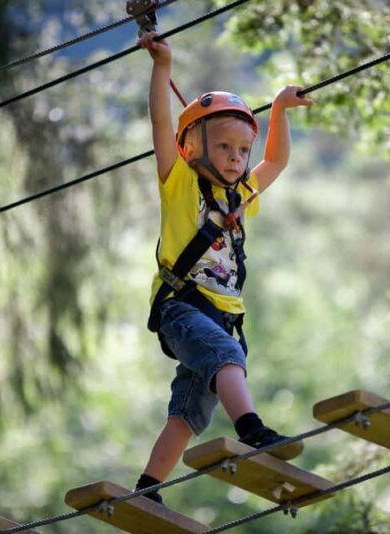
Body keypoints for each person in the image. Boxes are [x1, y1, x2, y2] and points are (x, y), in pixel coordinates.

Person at [135, 31, 313, 505]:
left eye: (240, 151)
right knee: (227, 359)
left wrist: (276, 109)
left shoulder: (240, 198)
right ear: (193, 149)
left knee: (187, 416)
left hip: (222, 318)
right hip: (182, 310)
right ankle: (253, 430)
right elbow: (159, 123)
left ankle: (147, 489)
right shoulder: (179, 184)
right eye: (223, 148)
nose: (235, 159)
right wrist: (162, 68)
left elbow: (275, 159)